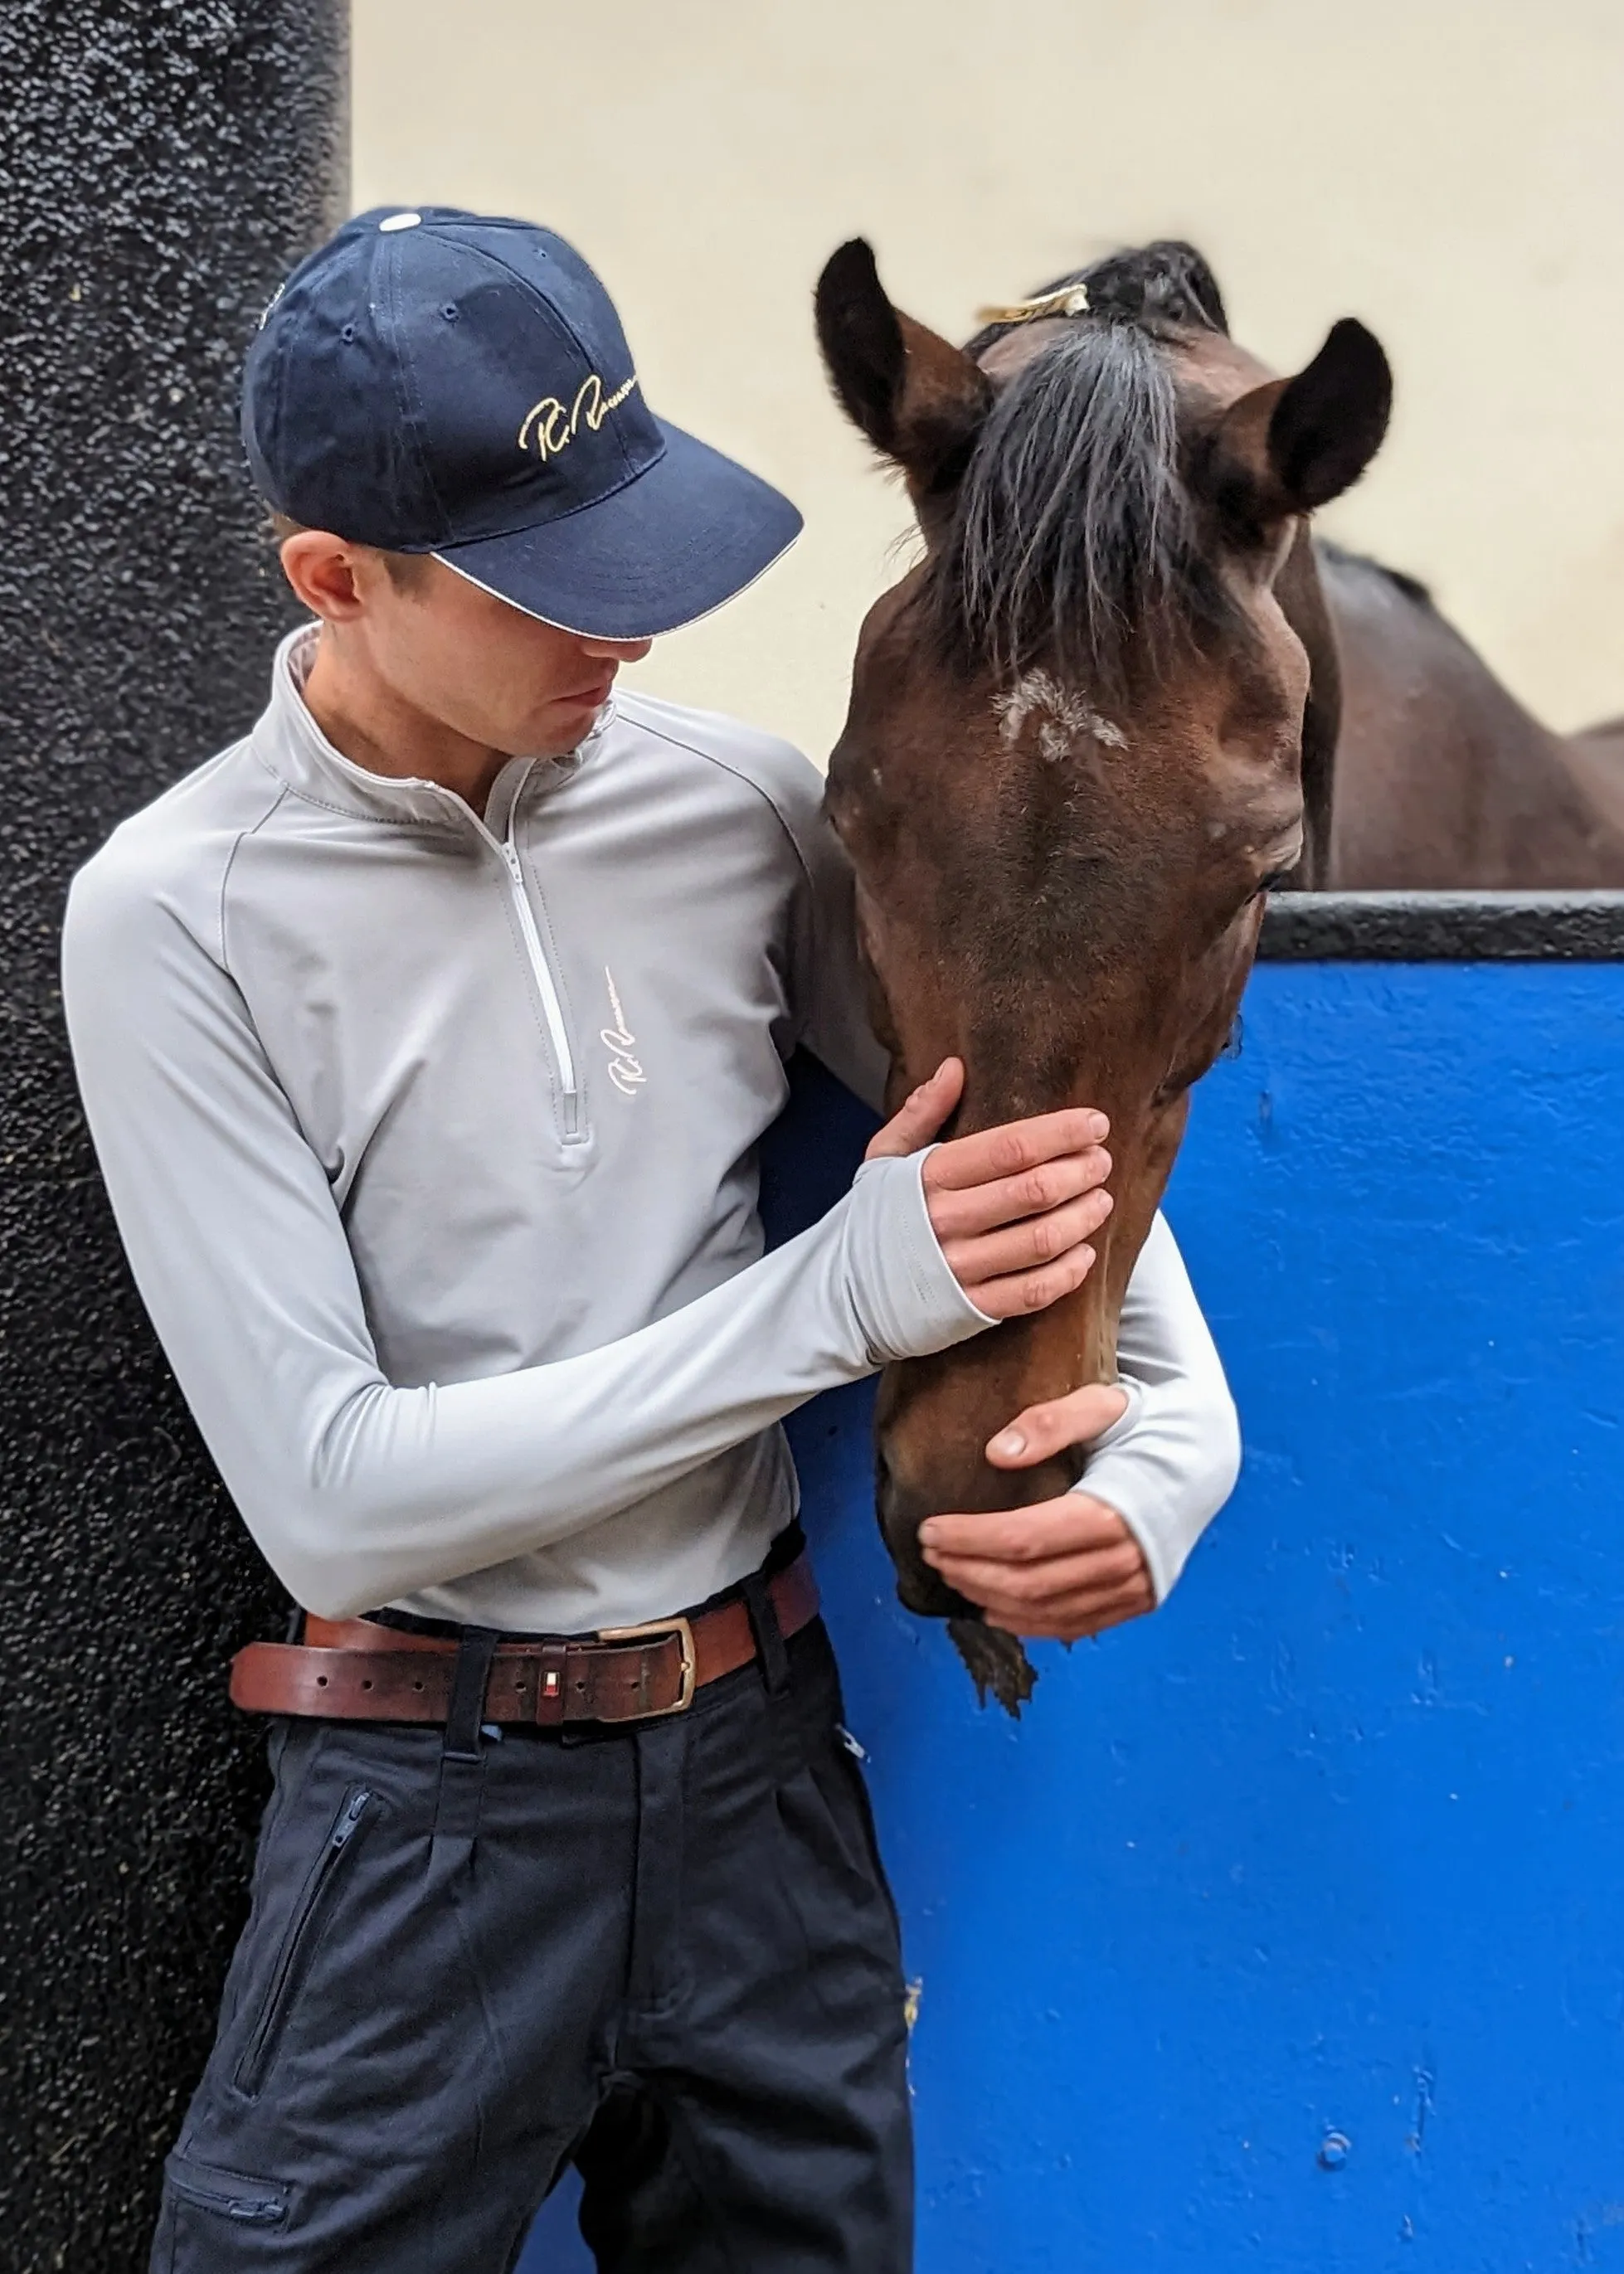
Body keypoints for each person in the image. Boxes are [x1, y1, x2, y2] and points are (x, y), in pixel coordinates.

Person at [61, 207, 1240, 2273]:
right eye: (554, 594)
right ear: (335, 578)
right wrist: (835, 1299)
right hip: (426, 1809)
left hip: (764, 1777)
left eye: (640, 547)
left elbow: (1010, 1157)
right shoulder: (175, 914)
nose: (627, 635)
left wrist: (1174, 1449)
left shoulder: (741, 803)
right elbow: (334, 1498)